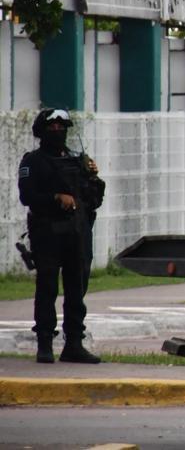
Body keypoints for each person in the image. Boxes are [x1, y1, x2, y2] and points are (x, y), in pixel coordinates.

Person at [16, 108, 101, 364]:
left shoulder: (77, 160)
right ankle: (44, 344)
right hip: (48, 234)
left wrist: (94, 177)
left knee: (77, 290)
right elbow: (27, 197)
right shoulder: (33, 161)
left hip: (77, 234)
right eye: (52, 128)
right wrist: (56, 198)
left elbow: (93, 198)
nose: (57, 132)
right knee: (47, 288)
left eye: (61, 127)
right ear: (41, 132)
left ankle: (74, 344)